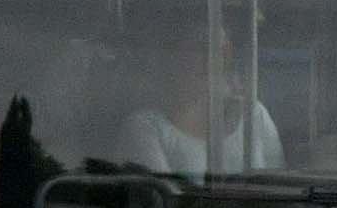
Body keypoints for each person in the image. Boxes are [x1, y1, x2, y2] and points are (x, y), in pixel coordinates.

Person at [119, 23, 284, 180]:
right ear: (170, 57)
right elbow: (164, 203)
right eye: (200, 47)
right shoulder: (146, 128)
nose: (212, 59)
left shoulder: (254, 114)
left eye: (222, 50)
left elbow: (279, 189)